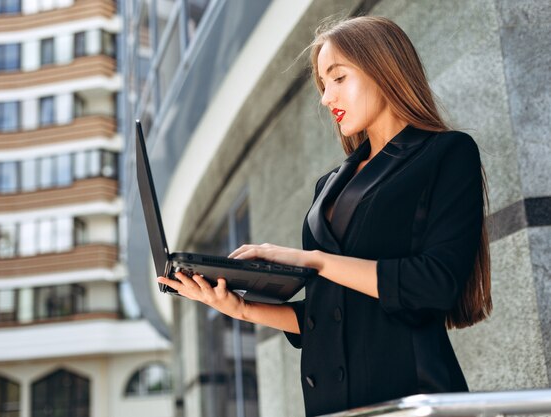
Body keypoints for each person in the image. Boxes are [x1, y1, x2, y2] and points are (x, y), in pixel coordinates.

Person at [158, 15, 492, 417]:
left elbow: (435, 285)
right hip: (334, 405)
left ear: (383, 66)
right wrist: (240, 308)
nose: (325, 97)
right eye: (322, 84)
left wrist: (312, 260)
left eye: (338, 78)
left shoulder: (446, 153)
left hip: (411, 396)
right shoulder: (331, 183)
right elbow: (330, 315)